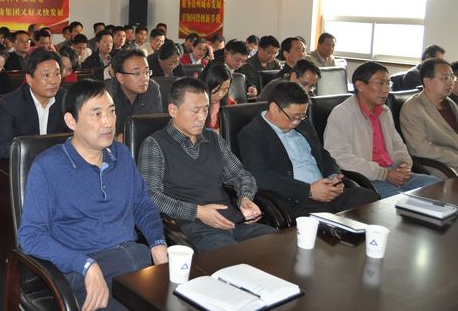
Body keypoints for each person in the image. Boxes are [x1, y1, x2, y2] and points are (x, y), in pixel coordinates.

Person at [18, 80, 167, 310]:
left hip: (135, 261)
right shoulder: (48, 167)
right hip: (82, 272)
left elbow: (142, 206)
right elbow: (31, 236)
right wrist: (86, 265)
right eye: (96, 114)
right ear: (71, 121)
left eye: (111, 111)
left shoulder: (121, 154)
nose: (108, 122)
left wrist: (158, 244)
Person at [139, 77, 275, 252]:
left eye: (205, 109)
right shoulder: (155, 144)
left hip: (235, 223)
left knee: (280, 245)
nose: (202, 117)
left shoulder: (213, 138)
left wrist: (245, 198)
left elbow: (241, 175)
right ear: (173, 110)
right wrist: (197, 212)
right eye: (195, 111)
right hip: (196, 230)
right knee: (237, 260)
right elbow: (151, 196)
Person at [239, 82, 378, 217]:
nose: (296, 122)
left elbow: (323, 155)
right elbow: (259, 175)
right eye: (293, 117)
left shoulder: (304, 125)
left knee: (369, 199)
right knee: (323, 220)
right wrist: (308, 190)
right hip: (298, 199)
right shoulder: (252, 134)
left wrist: (333, 177)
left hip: (327, 192)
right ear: (274, 108)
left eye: (301, 116)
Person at [324, 61, 440, 198]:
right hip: (368, 178)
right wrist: (384, 174)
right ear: (360, 86)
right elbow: (339, 157)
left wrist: (403, 164)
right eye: (379, 83)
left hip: (393, 171)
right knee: (398, 201)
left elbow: (397, 144)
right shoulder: (342, 114)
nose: (385, 90)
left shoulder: (384, 111)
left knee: (436, 186)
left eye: (387, 83)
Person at [0, 49, 67, 159]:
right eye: (46, 75)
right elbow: (2, 149)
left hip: (58, 161)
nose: (53, 81)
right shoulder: (10, 104)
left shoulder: (66, 99)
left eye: (57, 74)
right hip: (27, 163)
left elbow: (76, 138)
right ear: (29, 79)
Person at [400, 58, 458, 169]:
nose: (450, 82)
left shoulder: (449, 103)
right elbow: (420, 149)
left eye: (452, 77)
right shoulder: (413, 108)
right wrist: (455, 158)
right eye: (444, 78)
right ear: (427, 81)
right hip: (440, 166)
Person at [106, 49, 163, 140]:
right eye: (137, 73)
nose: (144, 78)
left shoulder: (152, 89)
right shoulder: (106, 94)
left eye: (147, 72)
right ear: (120, 77)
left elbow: (156, 127)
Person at [204, 63, 236, 131]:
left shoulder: (231, 105)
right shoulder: (195, 107)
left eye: (225, 89)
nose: (220, 95)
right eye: (216, 89)